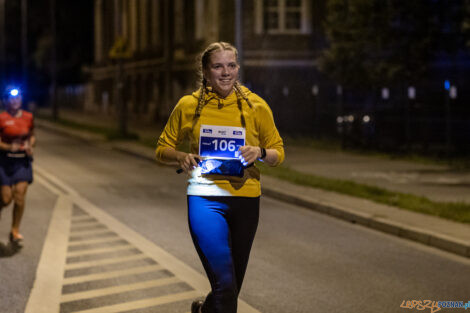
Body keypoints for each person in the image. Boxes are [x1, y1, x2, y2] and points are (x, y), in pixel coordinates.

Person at [155, 42, 284, 313]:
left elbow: (278, 154)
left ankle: (203, 310)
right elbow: (161, 149)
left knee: (230, 289)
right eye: (218, 66)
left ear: (238, 68)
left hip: (246, 200)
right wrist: (180, 157)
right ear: (205, 70)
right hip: (205, 199)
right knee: (225, 286)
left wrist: (259, 152)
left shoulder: (256, 106)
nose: (226, 72)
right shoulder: (188, 105)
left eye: (231, 65)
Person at [0, 86, 35, 246]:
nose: (15, 101)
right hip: (4, 162)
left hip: (22, 162)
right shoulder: (2, 117)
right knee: (6, 199)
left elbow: (32, 135)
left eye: (18, 98)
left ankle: (15, 230)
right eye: (11, 98)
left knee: (20, 196)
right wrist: (7, 147)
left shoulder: (28, 117)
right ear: (6, 101)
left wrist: (30, 145)